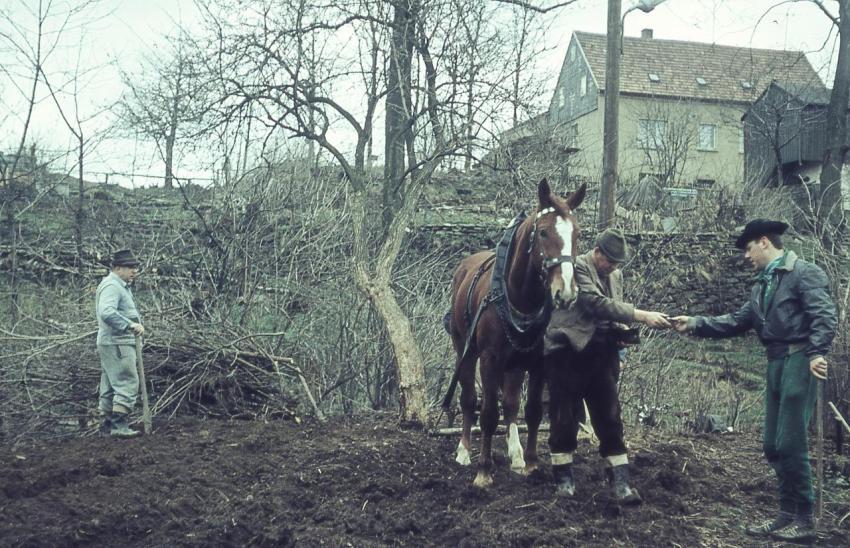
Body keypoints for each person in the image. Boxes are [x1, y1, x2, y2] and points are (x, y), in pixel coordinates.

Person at [671, 219, 836, 542]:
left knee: (790, 442)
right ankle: (786, 514)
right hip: (775, 362)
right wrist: (694, 322)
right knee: (772, 446)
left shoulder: (804, 273)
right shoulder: (761, 286)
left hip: (800, 359)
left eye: (748, 249)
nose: (746, 256)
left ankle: (804, 518)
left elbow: (824, 315)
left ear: (764, 242)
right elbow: (736, 321)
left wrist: (817, 352)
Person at [544, 228, 671, 503]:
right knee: (564, 418)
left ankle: (621, 483)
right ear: (597, 252)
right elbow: (593, 303)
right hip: (568, 353)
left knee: (610, 416)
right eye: (609, 260)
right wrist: (640, 315)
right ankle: (564, 480)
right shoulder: (577, 267)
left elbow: (613, 314)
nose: (612, 267)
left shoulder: (615, 274)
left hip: (601, 354)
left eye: (617, 263)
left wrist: (621, 338)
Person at [95, 249, 145, 438]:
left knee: (109, 384)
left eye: (135, 267)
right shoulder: (113, 286)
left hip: (112, 342)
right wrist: (130, 325)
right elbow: (106, 312)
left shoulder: (117, 285)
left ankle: (108, 425)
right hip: (118, 343)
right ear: (118, 268)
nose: (134, 271)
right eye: (130, 267)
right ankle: (118, 425)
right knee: (127, 380)